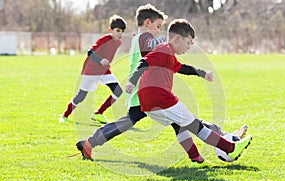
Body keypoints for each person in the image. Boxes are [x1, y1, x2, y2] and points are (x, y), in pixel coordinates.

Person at [76, 4, 247, 164]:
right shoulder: (146, 38)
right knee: (185, 121)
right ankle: (225, 140)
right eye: (158, 26)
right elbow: (149, 59)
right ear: (148, 23)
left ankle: (197, 155)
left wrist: (197, 70)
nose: (159, 31)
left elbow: (171, 64)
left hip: (142, 91)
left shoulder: (139, 39)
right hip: (144, 91)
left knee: (172, 122)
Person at [125, 19, 252, 161]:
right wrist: (132, 81)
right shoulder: (164, 50)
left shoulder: (168, 54)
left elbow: (183, 68)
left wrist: (202, 73)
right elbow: (143, 62)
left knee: (179, 125)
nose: (189, 47)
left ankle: (196, 158)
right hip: (159, 98)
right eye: (188, 42)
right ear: (177, 38)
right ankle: (231, 148)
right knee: (195, 125)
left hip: (148, 103)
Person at [59, 15, 127, 124]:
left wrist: (104, 64)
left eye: (122, 31)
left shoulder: (119, 42)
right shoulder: (104, 39)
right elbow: (90, 52)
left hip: (104, 70)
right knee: (82, 95)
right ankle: (65, 115)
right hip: (91, 70)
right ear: (110, 30)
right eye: (118, 30)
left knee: (118, 90)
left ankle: (99, 113)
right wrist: (100, 60)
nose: (120, 33)